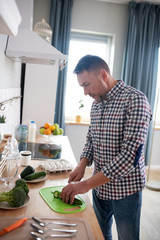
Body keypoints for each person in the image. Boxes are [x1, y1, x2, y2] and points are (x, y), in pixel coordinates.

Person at [61, 55, 152, 240]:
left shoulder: (136, 100)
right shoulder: (95, 105)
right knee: (99, 235)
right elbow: (91, 139)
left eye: (86, 84)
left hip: (125, 190)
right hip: (99, 188)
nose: (85, 92)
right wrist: (82, 164)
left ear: (103, 75)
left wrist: (85, 185)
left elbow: (129, 157)